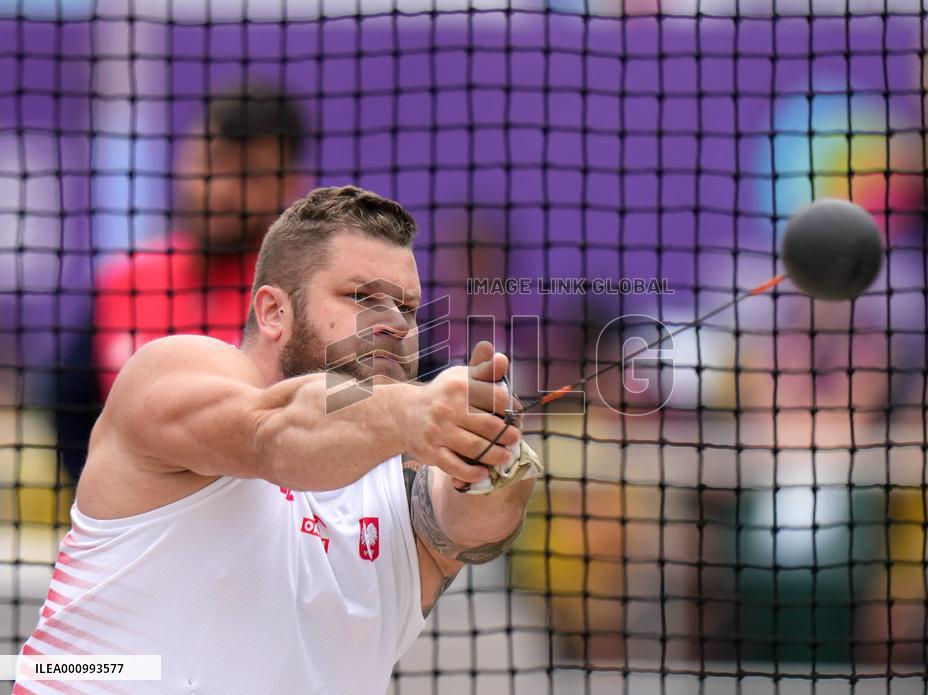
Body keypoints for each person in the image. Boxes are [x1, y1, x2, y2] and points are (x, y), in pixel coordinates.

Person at [16, 185, 538, 695]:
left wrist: (494, 451)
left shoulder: (402, 481)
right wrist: (413, 409)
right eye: (361, 296)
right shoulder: (179, 370)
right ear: (273, 312)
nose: (394, 324)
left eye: (407, 307)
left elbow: (477, 519)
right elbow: (277, 433)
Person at [56, 83, 308, 480]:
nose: (222, 190)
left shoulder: (305, 295)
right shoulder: (126, 281)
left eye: (250, 175)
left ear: (288, 183)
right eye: (213, 162)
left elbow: (392, 386)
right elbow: (68, 412)